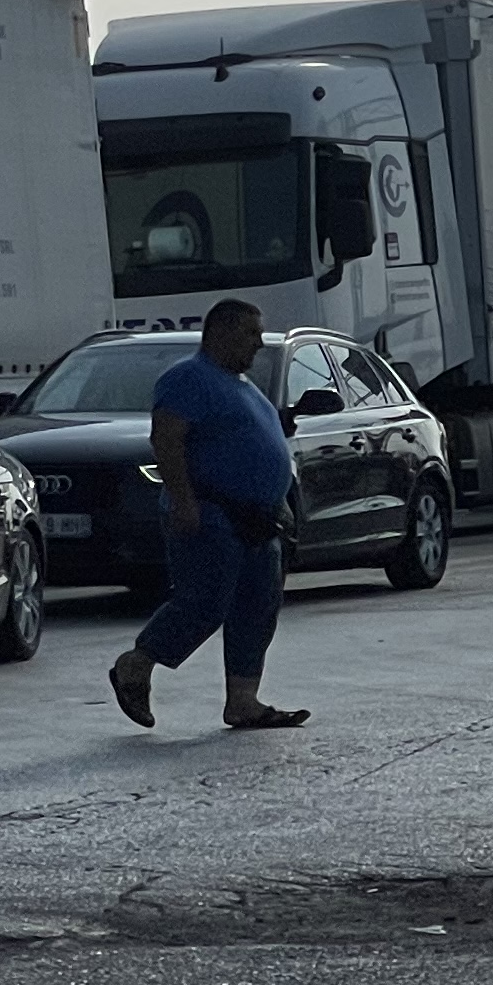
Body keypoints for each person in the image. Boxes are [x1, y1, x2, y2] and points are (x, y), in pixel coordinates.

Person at [106, 297, 307, 734]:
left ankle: (243, 702)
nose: (258, 343)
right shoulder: (188, 379)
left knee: (257, 608)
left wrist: (280, 503)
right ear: (221, 331)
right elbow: (167, 440)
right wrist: (183, 501)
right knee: (204, 602)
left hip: (259, 519)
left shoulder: (244, 388)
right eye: (250, 333)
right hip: (212, 513)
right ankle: (135, 667)